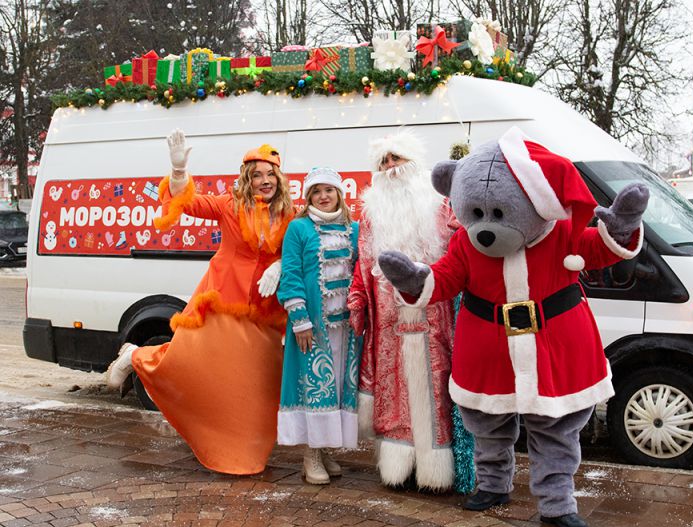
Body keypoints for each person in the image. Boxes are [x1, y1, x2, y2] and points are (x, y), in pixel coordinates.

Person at [105, 129, 294, 475]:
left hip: (264, 312)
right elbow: (189, 202)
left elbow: (307, 241)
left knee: (254, 388)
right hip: (221, 300)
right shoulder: (229, 205)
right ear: (247, 179)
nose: (265, 180)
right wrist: (179, 171)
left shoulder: (290, 214)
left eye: (270, 174)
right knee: (191, 366)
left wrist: (281, 264)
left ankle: (244, 450)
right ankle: (136, 356)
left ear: (279, 178)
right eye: (257, 175)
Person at [346, 131, 460, 492]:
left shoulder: (441, 204)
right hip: (389, 317)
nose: (391, 167)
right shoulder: (371, 213)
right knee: (394, 389)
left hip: (435, 310)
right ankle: (398, 465)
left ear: (414, 162)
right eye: (384, 161)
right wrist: (357, 299)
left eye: (397, 158)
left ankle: (435, 467)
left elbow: (460, 248)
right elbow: (363, 262)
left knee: (436, 384)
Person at [276, 167, 361, 485]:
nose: (323, 196)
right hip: (312, 328)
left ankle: (324, 449)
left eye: (328, 190)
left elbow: (361, 272)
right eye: (316, 191)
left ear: (339, 193)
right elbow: (291, 274)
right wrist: (300, 321)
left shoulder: (354, 229)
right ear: (308, 196)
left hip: (346, 329)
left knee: (336, 389)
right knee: (315, 387)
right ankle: (310, 454)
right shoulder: (298, 228)